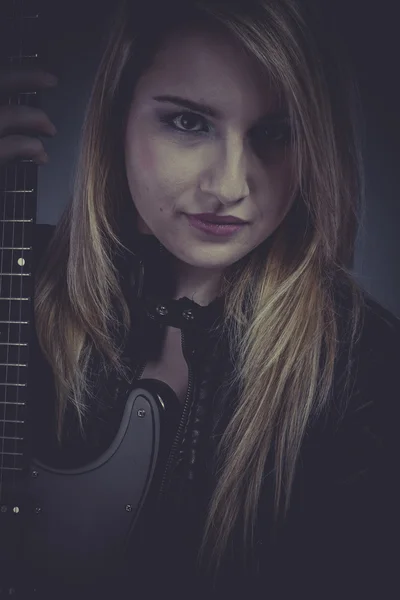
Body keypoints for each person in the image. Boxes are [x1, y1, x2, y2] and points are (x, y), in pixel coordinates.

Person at [0, 0, 399, 598]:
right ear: (117, 119)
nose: (230, 186)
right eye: (189, 122)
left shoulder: (364, 368)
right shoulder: (16, 275)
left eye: (275, 133)